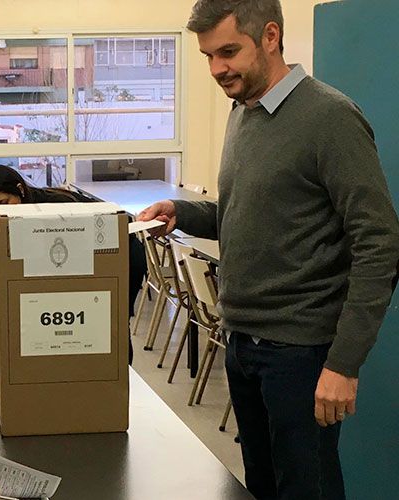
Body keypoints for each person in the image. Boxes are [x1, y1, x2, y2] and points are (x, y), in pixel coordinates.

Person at [137, 1, 399, 498]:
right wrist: (181, 211)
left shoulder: (331, 118)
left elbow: (380, 244)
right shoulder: (243, 114)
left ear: (272, 36)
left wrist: (343, 364)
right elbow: (244, 216)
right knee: (261, 485)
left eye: (228, 52)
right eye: (208, 56)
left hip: (302, 353)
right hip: (242, 342)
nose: (217, 69)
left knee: (308, 488)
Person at [0, 165, 148, 364]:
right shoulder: (15, 215)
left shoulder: (53, 207)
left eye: (3, 203)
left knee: (115, 322)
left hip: (124, 255)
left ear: (20, 189)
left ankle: (123, 379)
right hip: (91, 258)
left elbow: (121, 222)